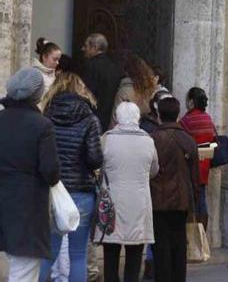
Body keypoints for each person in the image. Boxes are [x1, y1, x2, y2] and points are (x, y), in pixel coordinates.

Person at [38, 73, 103, 282]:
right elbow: (95, 160)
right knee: (78, 254)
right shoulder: (90, 119)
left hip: (52, 190)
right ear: (81, 90)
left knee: (48, 252)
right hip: (81, 191)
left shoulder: (45, 117)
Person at [0, 68, 61, 282]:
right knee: (24, 272)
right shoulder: (42, 125)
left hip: (4, 201)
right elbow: (50, 171)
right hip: (28, 206)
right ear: (37, 94)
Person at [97, 102, 159, 282]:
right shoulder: (148, 140)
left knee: (111, 255)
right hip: (139, 202)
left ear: (117, 118)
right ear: (137, 118)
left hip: (112, 204)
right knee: (135, 253)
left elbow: (98, 167)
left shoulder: (107, 139)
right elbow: (154, 170)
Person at [150, 97, 200, 282]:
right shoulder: (187, 139)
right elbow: (194, 175)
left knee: (160, 245)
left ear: (158, 114)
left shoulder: (153, 138)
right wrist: (193, 199)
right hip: (181, 200)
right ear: (177, 113)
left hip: (157, 200)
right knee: (179, 245)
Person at [178, 87, 217, 228]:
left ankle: (191, 233)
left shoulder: (187, 120)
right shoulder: (208, 119)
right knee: (202, 200)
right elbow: (213, 138)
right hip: (204, 165)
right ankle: (202, 233)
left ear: (191, 102)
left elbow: (180, 140)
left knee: (189, 203)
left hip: (190, 166)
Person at [78, 33, 123, 132]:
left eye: (86, 46)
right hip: (110, 117)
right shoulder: (113, 66)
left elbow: (86, 93)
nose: (83, 49)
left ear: (94, 47)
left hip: (92, 118)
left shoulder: (90, 66)